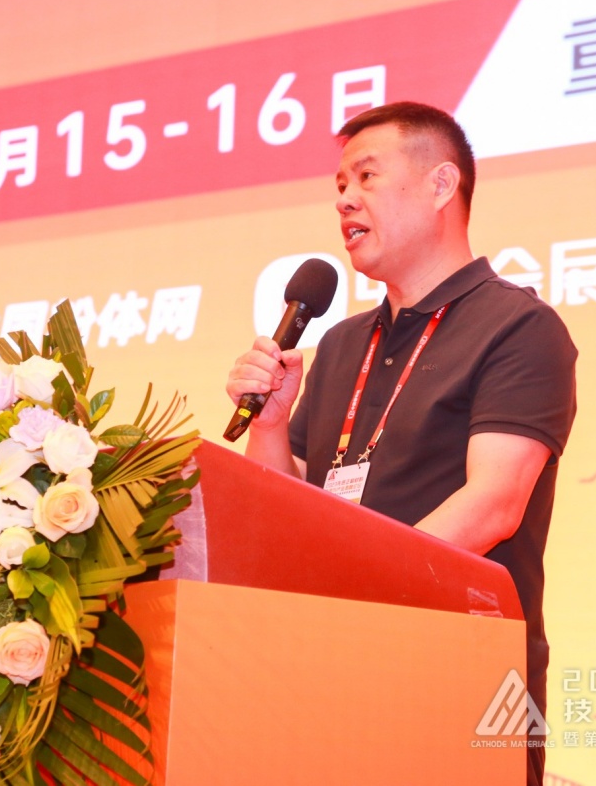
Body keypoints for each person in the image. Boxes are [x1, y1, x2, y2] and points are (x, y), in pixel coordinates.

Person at [226, 102, 576, 786]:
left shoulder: (517, 326)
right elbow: (287, 513)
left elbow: (493, 504)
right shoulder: (339, 344)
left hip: (467, 676)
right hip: (330, 671)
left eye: (366, 177)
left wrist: (354, 598)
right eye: (338, 186)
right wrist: (268, 424)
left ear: (442, 185)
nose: (344, 200)